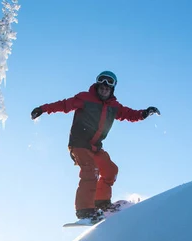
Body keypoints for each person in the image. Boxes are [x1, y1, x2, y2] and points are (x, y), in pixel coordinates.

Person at [30, 71, 160, 222]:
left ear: (112, 89)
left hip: (95, 147)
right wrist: (42, 109)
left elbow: (129, 114)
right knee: (90, 170)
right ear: (97, 86)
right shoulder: (85, 98)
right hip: (79, 144)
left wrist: (144, 113)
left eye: (108, 87)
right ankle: (84, 211)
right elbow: (64, 105)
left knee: (110, 170)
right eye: (102, 85)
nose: (104, 89)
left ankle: (101, 203)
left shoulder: (114, 106)